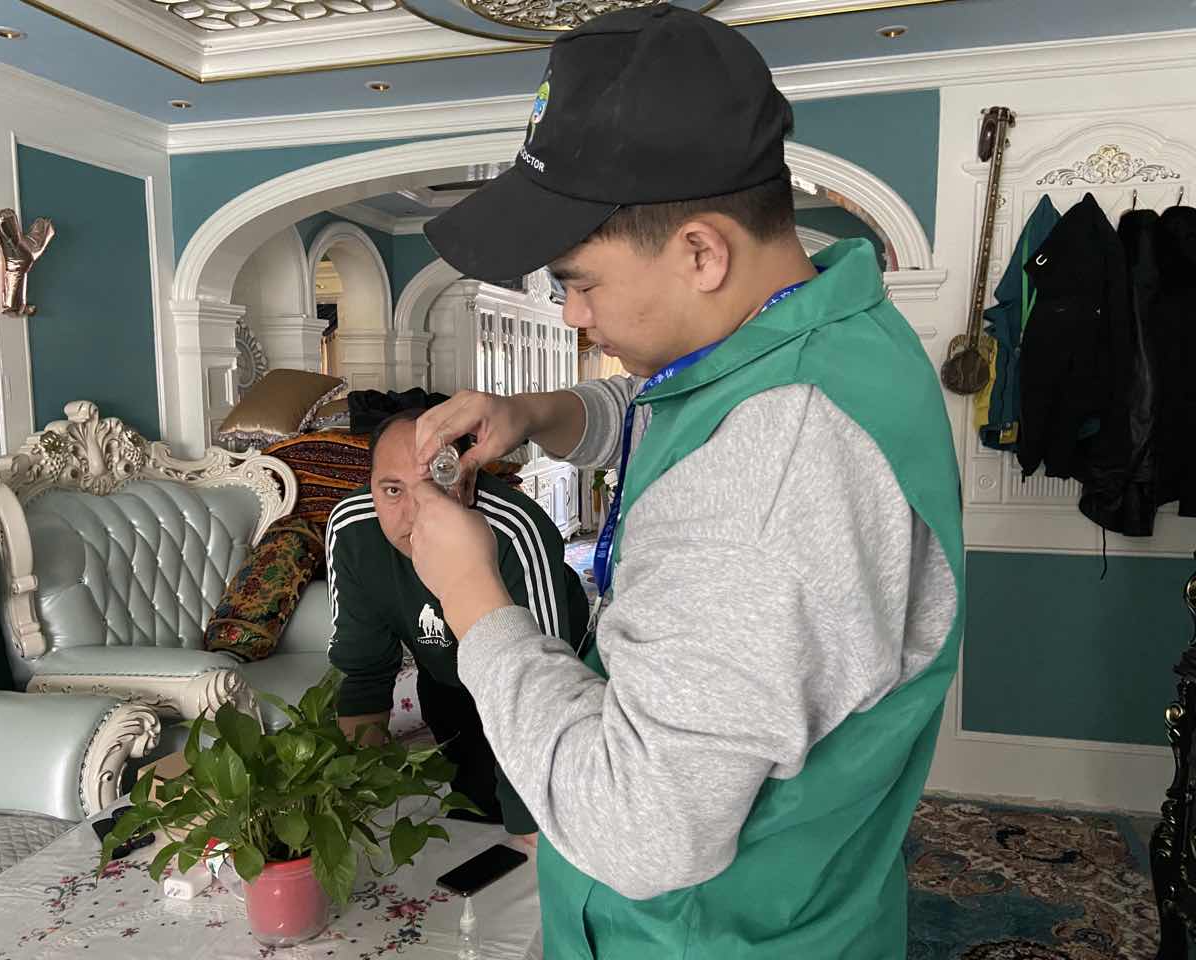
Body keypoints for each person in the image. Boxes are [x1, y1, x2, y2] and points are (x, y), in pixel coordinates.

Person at [403, 5, 965, 957]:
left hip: (698, 935)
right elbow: (675, 399)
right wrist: (540, 412)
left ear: (702, 251)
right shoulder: (819, 324)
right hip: (799, 904)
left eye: (579, 282)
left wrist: (470, 595)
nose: (572, 315)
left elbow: (638, 828)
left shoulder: (771, 474)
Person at [325, 409, 589, 838]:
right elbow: (364, 673)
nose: (415, 513)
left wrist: (537, 835)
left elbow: (542, 702)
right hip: (448, 676)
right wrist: (351, 804)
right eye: (392, 490)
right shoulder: (353, 529)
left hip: (548, 677)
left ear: (465, 480)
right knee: (473, 808)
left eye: (436, 482)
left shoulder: (515, 529)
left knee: (554, 821)